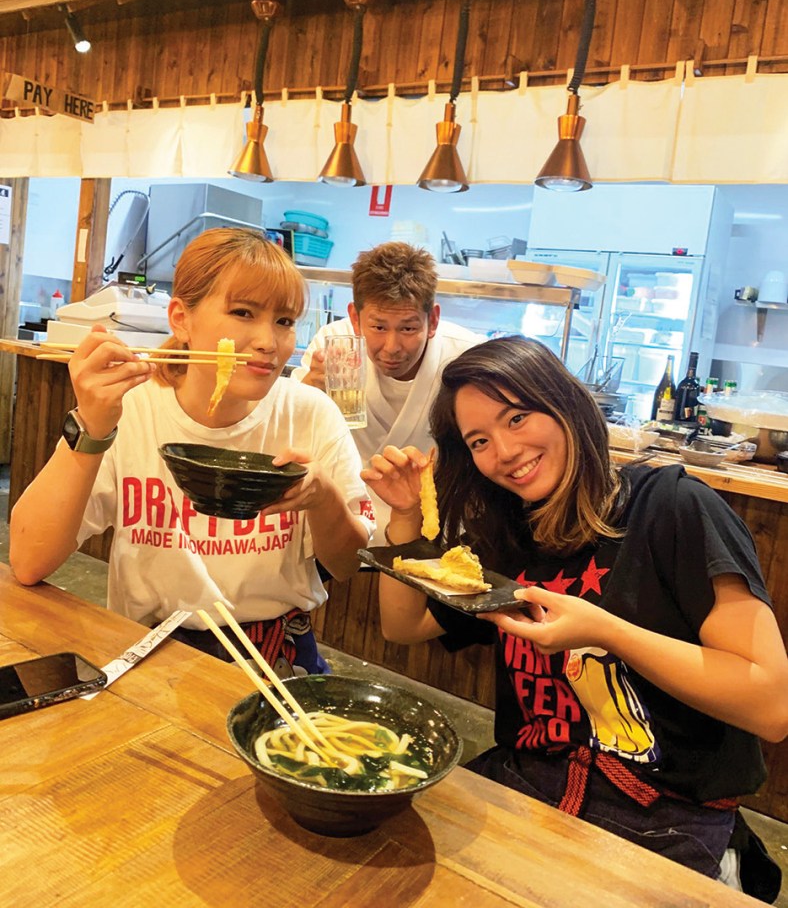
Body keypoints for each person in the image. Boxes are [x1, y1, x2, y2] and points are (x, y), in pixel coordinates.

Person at [361, 335, 788, 894]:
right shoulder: (507, 532)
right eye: (480, 441)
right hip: (526, 784)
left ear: (564, 403)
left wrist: (605, 631)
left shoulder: (672, 507)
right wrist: (403, 517)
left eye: (517, 418)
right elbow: (403, 627)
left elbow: (771, 705)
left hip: (664, 815)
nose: (504, 451)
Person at [10, 227, 374, 675]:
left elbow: (347, 565)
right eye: (243, 312)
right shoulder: (131, 409)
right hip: (149, 651)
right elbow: (28, 561)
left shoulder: (310, 413)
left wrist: (323, 498)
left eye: (284, 321)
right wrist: (91, 427)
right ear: (181, 319)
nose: (268, 342)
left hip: (280, 655)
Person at [291, 241, 480, 527]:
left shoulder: (465, 357)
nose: (392, 347)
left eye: (408, 328)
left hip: (438, 522)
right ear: (355, 318)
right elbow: (291, 436)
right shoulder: (333, 347)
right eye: (378, 327)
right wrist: (309, 394)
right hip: (347, 518)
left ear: (433, 320)